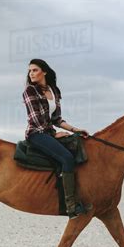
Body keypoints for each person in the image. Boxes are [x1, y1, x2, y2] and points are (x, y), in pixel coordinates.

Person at [22, 58, 93, 219]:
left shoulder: (54, 91)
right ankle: (71, 206)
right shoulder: (30, 91)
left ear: (44, 71)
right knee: (67, 158)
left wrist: (75, 129)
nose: (31, 73)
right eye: (30, 71)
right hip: (37, 133)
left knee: (78, 147)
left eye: (35, 70)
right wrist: (54, 134)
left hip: (48, 132)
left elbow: (57, 119)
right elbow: (36, 119)